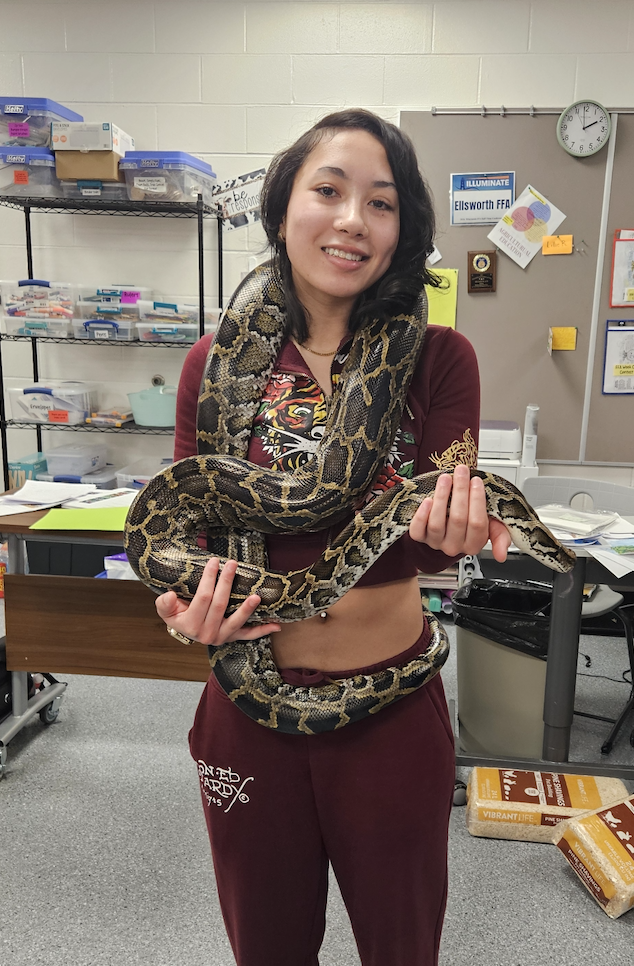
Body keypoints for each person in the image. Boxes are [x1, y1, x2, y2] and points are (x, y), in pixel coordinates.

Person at [156, 109, 511, 966]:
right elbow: (185, 530)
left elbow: (430, 545)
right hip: (248, 703)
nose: (353, 219)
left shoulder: (439, 357)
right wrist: (180, 613)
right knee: (265, 946)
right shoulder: (214, 361)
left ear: (403, 230)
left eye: (381, 204)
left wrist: (451, 533)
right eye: (329, 190)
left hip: (388, 708)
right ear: (283, 209)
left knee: (401, 946)